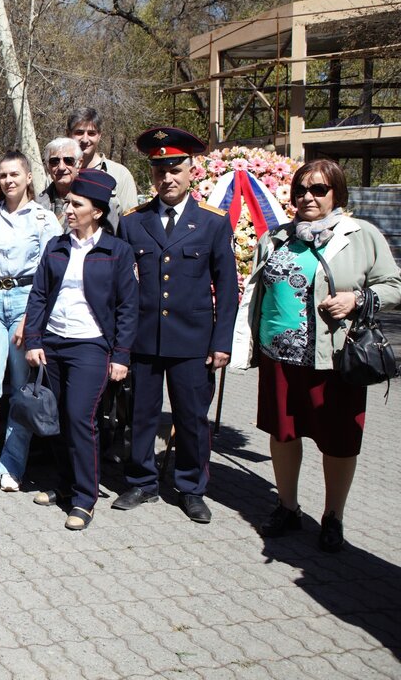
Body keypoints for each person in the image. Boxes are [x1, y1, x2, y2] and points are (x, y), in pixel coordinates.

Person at [231, 159, 401, 552]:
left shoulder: (361, 236)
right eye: (301, 190)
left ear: (336, 194)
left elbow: (393, 285)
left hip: (335, 361)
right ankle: (287, 506)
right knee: (283, 434)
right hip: (279, 358)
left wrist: (357, 299)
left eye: (319, 189)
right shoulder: (274, 238)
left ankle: (332, 517)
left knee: (339, 441)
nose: (308, 196)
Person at [113, 127, 238, 524]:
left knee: (191, 419)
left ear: (191, 171)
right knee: (142, 416)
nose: (166, 177)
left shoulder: (212, 223)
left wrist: (222, 342)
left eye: (174, 168)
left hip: (193, 341)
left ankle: (191, 488)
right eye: (158, 169)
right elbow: (121, 285)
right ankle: (142, 481)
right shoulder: (133, 223)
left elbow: (228, 288)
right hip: (144, 339)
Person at [23, 169, 138, 530]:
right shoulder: (56, 246)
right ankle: (64, 486)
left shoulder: (116, 251)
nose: (68, 209)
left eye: (76, 204)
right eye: (68, 203)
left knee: (79, 417)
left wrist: (120, 355)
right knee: (55, 418)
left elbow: (127, 307)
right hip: (53, 344)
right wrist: (34, 340)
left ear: (98, 211)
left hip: (91, 346)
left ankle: (85, 498)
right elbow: (39, 294)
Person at [0, 151, 60, 491]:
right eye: (3, 175)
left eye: (15, 174)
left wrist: (32, 321)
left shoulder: (44, 220)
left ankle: (12, 464)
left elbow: (51, 275)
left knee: (22, 391)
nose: (9, 180)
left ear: (29, 177)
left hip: (25, 304)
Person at [67, 107, 138, 215]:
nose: (85, 140)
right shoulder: (58, 173)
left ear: (100, 136)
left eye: (91, 133)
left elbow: (131, 222)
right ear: (68, 134)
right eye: (79, 132)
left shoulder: (120, 174)